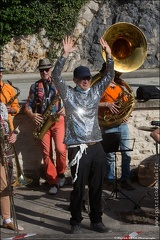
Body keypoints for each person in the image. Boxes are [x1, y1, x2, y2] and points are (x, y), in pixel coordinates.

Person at [52, 36, 114, 234]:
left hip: (96, 146)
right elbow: (55, 76)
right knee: (79, 187)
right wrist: (64, 55)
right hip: (78, 148)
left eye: (88, 78)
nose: (86, 81)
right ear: (76, 81)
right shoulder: (69, 94)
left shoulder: (95, 93)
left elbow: (109, 76)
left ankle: (96, 220)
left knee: (97, 187)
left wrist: (109, 55)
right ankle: (76, 221)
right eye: (82, 78)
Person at [25, 58, 67, 195]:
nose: (44, 72)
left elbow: (71, 100)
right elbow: (27, 106)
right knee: (46, 153)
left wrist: (65, 109)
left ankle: (61, 174)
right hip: (43, 123)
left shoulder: (59, 83)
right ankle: (53, 181)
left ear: (51, 70)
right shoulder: (35, 86)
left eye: (46, 70)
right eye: (41, 70)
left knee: (61, 149)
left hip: (58, 121)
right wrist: (32, 115)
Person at [99, 75, 135, 191]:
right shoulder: (100, 87)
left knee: (126, 154)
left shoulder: (122, 86)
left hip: (122, 125)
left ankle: (125, 179)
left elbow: (129, 102)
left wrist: (126, 115)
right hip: (109, 125)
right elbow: (91, 102)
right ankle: (110, 180)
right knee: (110, 156)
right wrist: (107, 104)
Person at [0, 102, 24, 231]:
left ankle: (7, 219)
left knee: (4, 186)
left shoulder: (2, 107)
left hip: (2, 152)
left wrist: (12, 135)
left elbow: (7, 127)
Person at [0, 61, 20, 189]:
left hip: (7, 130)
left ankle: (10, 186)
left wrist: (9, 110)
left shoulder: (9, 88)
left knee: (8, 162)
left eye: (0, 72)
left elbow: (17, 108)